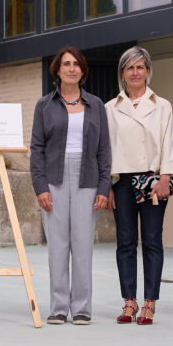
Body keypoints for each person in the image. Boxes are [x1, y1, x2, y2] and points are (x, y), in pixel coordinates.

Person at [30, 46, 111, 325]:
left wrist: (103, 188)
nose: (72, 68)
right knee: (57, 245)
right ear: (57, 70)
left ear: (83, 71)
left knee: (82, 244)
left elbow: (104, 150)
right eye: (66, 64)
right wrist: (40, 186)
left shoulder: (96, 105)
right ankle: (58, 307)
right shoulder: (44, 105)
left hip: (87, 176)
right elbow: (36, 149)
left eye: (77, 64)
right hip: (53, 177)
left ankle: (82, 308)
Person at [105, 46, 173, 325]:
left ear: (148, 71)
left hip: (153, 180)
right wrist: (107, 186)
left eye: (140, 67)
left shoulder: (162, 106)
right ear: (122, 73)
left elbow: (169, 143)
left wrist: (166, 177)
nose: (135, 72)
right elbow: (105, 151)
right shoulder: (109, 109)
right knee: (125, 242)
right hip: (122, 181)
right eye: (130, 67)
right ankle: (129, 302)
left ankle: (150, 302)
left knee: (152, 241)